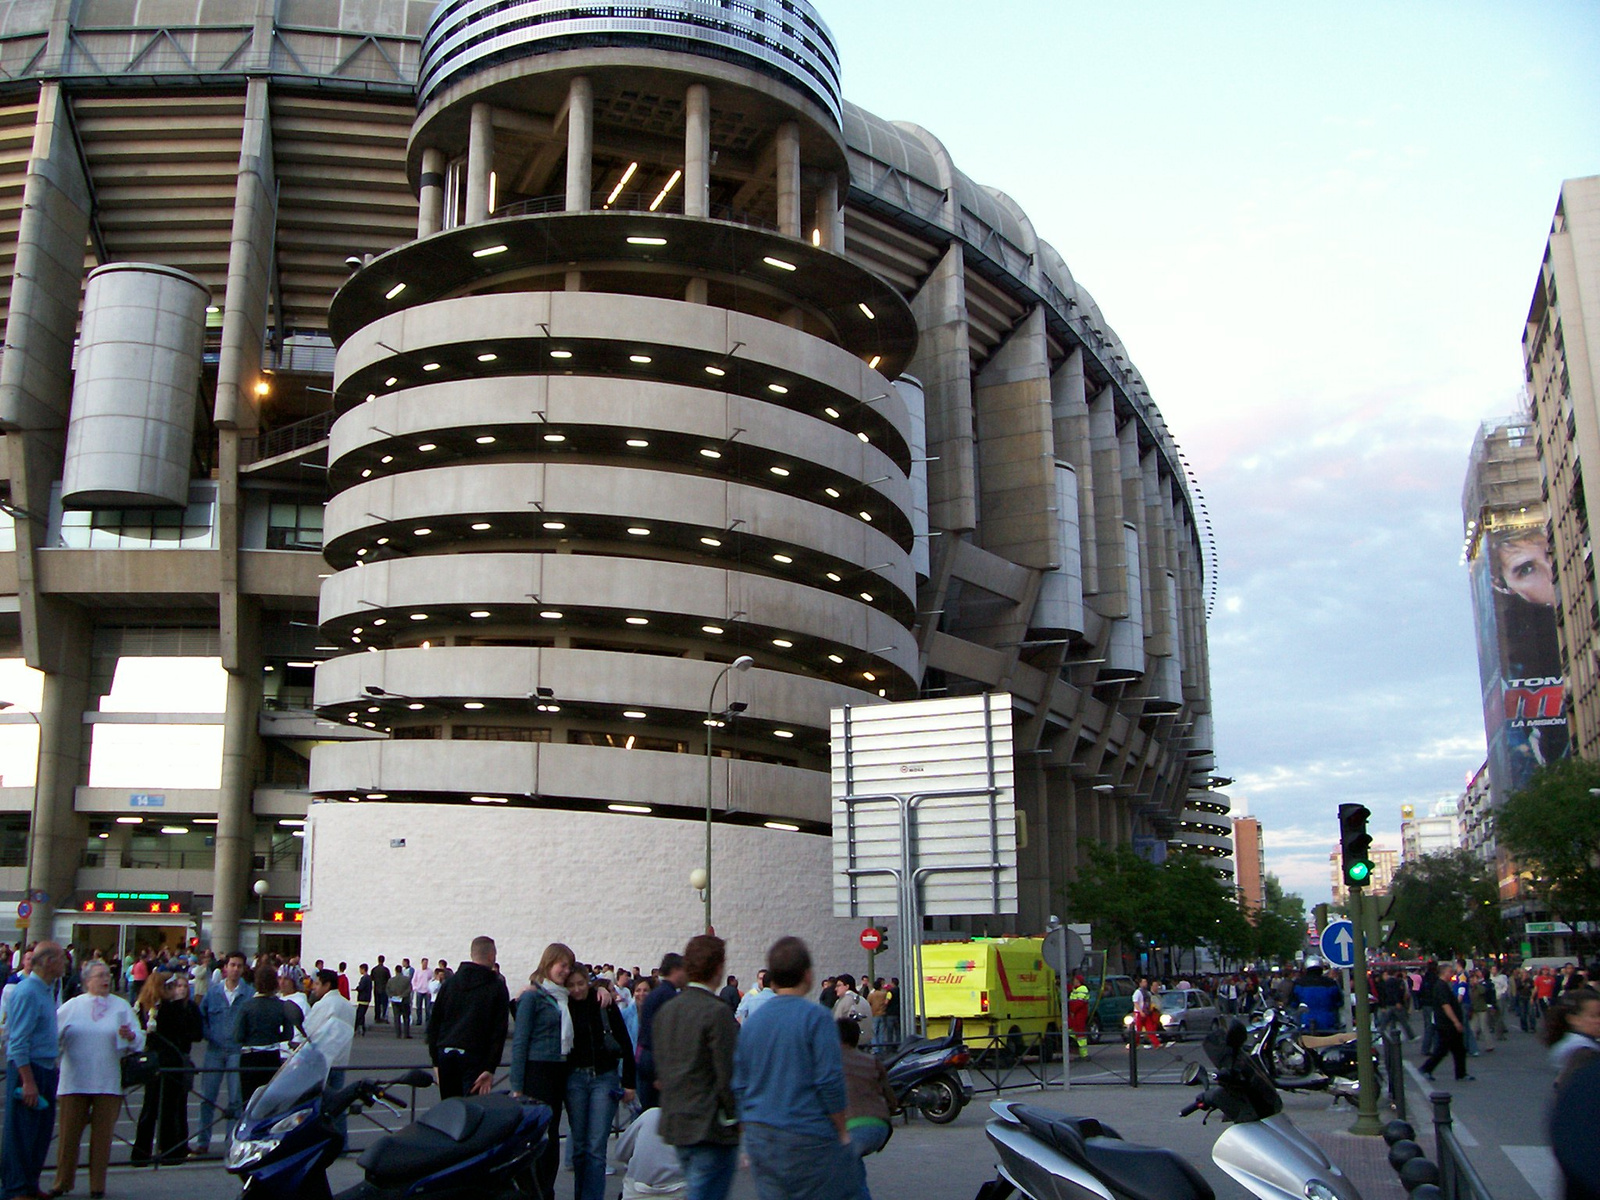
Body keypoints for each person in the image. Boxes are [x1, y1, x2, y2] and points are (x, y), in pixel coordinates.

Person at [735, 935, 861, 1200]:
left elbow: (740, 1085)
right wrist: (841, 1130)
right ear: (808, 975)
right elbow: (829, 1081)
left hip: (762, 1137)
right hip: (807, 1135)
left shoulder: (753, 1023)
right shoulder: (817, 1018)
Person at [654, 935, 740, 1200]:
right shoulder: (717, 1012)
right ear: (717, 968)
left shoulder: (668, 1010)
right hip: (709, 1125)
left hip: (676, 1119)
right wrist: (736, 1116)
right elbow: (727, 1073)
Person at [54, 959, 146, 1198]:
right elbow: (53, 1037)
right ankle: (62, 1182)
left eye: (107, 974)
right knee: (68, 1135)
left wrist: (130, 1035)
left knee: (102, 1137)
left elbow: (139, 1040)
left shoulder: (121, 1005)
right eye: (99, 976)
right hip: (74, 1080)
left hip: (107, 1080)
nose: (106, 979)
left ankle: (97, 1185)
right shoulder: (71, 1006)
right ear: (86, 981)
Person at [509, 943, 577, 1199]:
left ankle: (546, 1189)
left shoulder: (563, 996)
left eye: (569, 966)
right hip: (537, 1072)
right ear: (548, 964)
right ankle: (535, 1191)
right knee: (539, 1136)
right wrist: (516, 1086)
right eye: (562, 965)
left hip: (558, 1071)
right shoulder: (532, 997)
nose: (566, 970)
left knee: (552, 1133)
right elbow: (520, 1042)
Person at [566, 964, 637, 1200]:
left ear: (588, 982)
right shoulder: (562, 1006)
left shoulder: (603, 1004)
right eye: (572, 985)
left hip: (603, 1079)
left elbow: (625, 1044)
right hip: (575, 1078)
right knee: (579, 1148)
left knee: (596, 1147)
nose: (577, 990)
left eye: (581, 984)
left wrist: (628, 1082)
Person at [2, 942, 66, 1200]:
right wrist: (28, 1081)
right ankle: (15, 1188)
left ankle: (29, 1184)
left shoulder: (46, 989)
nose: (66, 963)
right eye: (62, 958)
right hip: (30, 1069)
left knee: (39, 1134)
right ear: (48, 962)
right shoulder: (28, 991)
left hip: (46, 1067)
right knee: (22, 1133)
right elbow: (18, 1041)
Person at [428, 935, 511, 1101]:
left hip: (446, 1052)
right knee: (472, 1111)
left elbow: (434, 1022)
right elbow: (499, 1031)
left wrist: (435, 1060)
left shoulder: (450, 983)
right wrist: (490, 1067)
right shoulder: (496, 986)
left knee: (450, 1111)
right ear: (491, 956)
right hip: (475, 1056)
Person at [133, 971, 202, 1166]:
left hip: (152, 1062)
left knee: (149, 1108)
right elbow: (185, 1031)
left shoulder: (144, 1006)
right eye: (171, 987)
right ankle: (170, 1150)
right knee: (169, 1109)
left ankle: (141, 1152)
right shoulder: (170, 1009)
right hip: (170, 1062)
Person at [193, 950, 253, 1155]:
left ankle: (231, 1142)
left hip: (237, 1051)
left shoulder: (249, 994)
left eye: (239, 966)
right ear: (225, 967)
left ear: (244, 969)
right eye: (232, 965)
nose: (235, 969)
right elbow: (201, 1018)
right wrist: (210, 1035)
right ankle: (203, 1141)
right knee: (207, 1097)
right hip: (215, 1050)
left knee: (236, 1099)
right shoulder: (213, 992)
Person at [837, 1017, 896, 1196]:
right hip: (880, 1127)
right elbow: (892, 1102)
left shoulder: (829, 1062)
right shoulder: (871, 1061)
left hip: (854, 1127)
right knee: (853, 1165)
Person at [304, 969, 357, 1149]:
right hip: (341, 1059)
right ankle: (342, 1144)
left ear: (327, 985)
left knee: (319, 1105)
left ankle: (320, 1143)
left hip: (323, 1061)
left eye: (317, 984)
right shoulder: (347, 1005)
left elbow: (309, 1030)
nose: (314, 988)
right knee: (339, 1104)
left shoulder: (323, 1005)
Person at [235, 963, 297, 1106]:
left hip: (250, 1056)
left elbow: (237, 1036)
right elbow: (288, 1034)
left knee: (248, 1101)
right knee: (269, 1101)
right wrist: (275, 1036)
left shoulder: (247, 1006)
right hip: (272, 1055)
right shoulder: (281, 1005)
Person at [637, 952, 686, 1110]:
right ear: (675, 970)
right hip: (656, 1062)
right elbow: (663, 1036)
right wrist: (659, 1073)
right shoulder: (668, 996)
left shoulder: (657, 994)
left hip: (647, 1058)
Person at [615, 1105, 687, 1199]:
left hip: (639, 1190)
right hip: (680, 1189)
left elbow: (621, 1153)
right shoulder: (697, 1122)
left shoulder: (650, 1115)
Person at [1542, 986, 1600, 1092]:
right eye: (1594, 1016)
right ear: (1573, 1019)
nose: (1598, 1021)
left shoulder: (1573, 1043)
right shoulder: (1582, 1051)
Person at [1421, 966, 1474, 1083]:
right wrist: (1455, 1021)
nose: (1452, 974)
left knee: (1458, 1049)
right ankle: (1426, 1068)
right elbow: (1446, 1005)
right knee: (1443, 1049)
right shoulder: (1441, 986)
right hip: (1447, 1024)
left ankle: (1461, 1073)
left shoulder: (1444, 985)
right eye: (1450, 972)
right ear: (1444, 973)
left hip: (1448, 1023)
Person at [1292, 961, 1342, 1032]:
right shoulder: (1331, 983)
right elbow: (1339, 1002)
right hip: (1328, 1021)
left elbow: (1293, 1003)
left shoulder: (1299, 984)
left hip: (1305, 1022)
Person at [832, 974, 873, 1039]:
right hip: (866, 1040)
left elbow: (836, 1021)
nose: (836, 989)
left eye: (838, 986)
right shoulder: (863, 1000)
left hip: (848, 1043)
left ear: (847, 986)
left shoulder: (844, 1000)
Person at [623, 977, 652, 1046]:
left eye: (645, 990)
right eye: (638, 990)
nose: (641, 994)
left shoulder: (657, 1014)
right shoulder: (624, 1014)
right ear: (633, 993)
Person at [387, 965, 413, 1038]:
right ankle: (406, 1034)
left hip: (395, 1001)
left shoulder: (391, 980)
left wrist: (392, 996)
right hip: (404, 1000)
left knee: (397, 1017)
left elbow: (387, 990)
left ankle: (398, 1034)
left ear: (395, 971)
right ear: (401, 970)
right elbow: (409, 989)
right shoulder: (407, 979)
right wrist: (402, 995)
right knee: (406, 1018)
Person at [867, 978, 890, 1045]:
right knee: (881, 1032)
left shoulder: (871, 995)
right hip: (882, 1013)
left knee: (874, 1032)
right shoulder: (884, 994)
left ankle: (875, 1048)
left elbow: (868, 1003)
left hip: (874, 1014)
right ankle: (881, 1047)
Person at [412, 957, 433, 1029]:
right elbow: (414, 980)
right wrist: (415, 988)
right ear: (421, 963)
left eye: (426, 963)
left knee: (427, 1007)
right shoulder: (418, 971)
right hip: (419, 990)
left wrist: (430, 989)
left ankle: (428, 1021)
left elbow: (431, 980)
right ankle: (419, 1020)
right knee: (418, 1006)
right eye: (424, 963)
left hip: (427, 991)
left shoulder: (430, 971)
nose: (425, 964)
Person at [371, 955, 391, 1024]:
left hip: (376, 989)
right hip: (384, 989)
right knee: (384, 1004)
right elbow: (389, 979)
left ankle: (377, 1017)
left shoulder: (374, 969)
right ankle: (384, 1017)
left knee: (377, 1004)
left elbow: (372, 979)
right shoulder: (386, 970)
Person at [354, 964, 372, 1035]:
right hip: (366, 999)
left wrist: (357, 988)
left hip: (363, 999)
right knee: (362, 1014)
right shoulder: (369, 978)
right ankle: (362, 1028)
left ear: (363, 969)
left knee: (359, 1015)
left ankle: (357, 1028)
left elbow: (361, 987)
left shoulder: (364, 978)